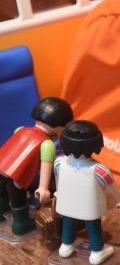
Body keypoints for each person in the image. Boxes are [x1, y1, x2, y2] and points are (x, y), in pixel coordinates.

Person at [55, 120, 120, 265]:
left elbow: (58, 180)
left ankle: (66, 246)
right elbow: (113, 188)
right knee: (93, 226)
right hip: (89, 207)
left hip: (66, 203)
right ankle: (97, 251)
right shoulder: (100, 170)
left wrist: (58, 192)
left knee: (68, 222)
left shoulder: (59, 163)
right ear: (96, 144)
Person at [0, 97, 73, 235]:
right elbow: (46, 168)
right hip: (15, 178)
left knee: (2, 193)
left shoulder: (20, 129)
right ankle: (21, 223)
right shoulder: (47, 144)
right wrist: (43, 189)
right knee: (18, 198)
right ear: (60, 126)